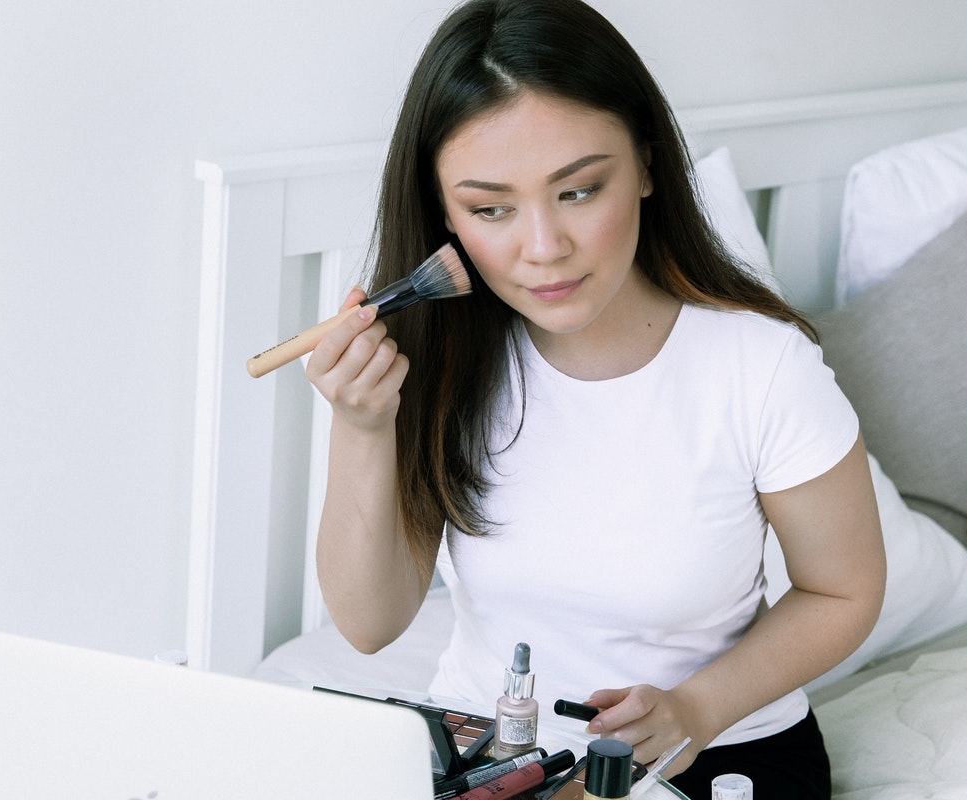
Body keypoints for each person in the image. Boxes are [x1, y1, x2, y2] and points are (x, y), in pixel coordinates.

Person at [304, 1, 886, 796]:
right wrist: (362, 426)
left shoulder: (761, 366)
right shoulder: (438, 363)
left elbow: (843, 588)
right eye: (490, 209)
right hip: (494, 752)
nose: (542, 249)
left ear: (647, 164)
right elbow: (369, 627)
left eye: (578, 192)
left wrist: (695, 707)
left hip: (719, 750)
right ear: (445, 213)